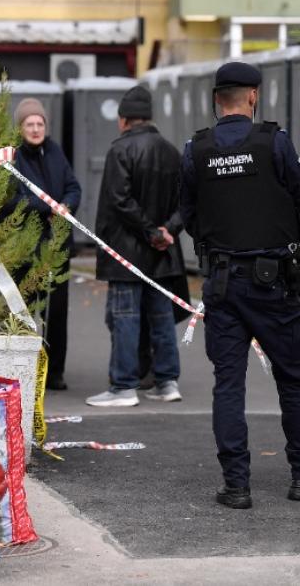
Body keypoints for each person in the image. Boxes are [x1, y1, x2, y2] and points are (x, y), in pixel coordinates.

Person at [180, 61, 300, 509]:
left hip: (223, 281)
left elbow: (189, 213)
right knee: (293, 379)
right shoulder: (276, 142)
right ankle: (299, 479)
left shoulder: (196, 149)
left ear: (216, 99)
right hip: (276, 283)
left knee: (228, 384)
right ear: (252, 96)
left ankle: (237, 486)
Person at [86, 85, 185, 408]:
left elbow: (119, 201)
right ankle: (167, 382)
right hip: (163, 254)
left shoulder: (120, 150)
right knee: (161, 318)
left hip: (126, 253)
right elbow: (187, 200)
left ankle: (123, 386)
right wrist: (167, 231)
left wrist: (149, 232)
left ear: (123, 119)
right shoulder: (172, 151)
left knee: (125, 317)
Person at [2, 98, 81, 391]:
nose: (35, 129)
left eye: (40, 124)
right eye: (29, 124)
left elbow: (73, 186)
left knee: (57, 311)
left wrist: (67, 205)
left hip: (57, 245)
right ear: (20, 127)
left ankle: (54, 371)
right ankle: (19, 369)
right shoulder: (11, 157)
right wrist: (46, 207)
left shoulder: (55, 151)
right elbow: (10, 200)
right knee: (23, 309)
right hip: (25, 248)